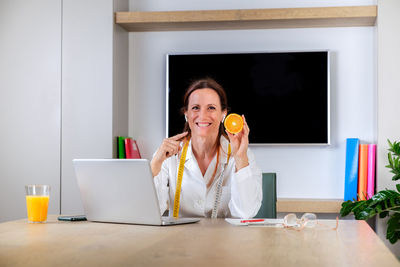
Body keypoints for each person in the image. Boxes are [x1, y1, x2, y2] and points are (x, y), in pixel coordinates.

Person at [150, 78, 262, 218]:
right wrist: (155, 165)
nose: (202, 115)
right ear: (186, 114)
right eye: (196, 108)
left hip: (226, 239)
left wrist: (240, 159)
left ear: (223, 114)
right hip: (180, 239)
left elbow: (246, 213)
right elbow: (149, 212)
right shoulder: (167, 155)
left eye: (211, 108)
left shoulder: (242, 156)